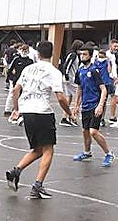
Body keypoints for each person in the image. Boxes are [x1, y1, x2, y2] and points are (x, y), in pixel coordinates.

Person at [6, 40, 72, 199]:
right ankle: (37, 186)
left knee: (38, 149)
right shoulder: (54, 71)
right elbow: (61, 97)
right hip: (42, 111)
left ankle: (16, 171)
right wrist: (69, 112)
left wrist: (16, 109)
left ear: (38, 53)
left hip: (27, 111)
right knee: (48, 149)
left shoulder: (28, 69)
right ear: (52, 53)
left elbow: (16, 90)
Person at [73, 42, 115, 167]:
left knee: (93, 132)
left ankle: (109, 153)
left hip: (95, 105)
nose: (82, 56)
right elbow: (79, 88)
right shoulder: (80, 71)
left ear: (90, 56)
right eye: (81, 54)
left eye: (85, 54)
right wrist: (76, 105)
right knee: (85, 131)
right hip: (85, 106)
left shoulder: (94, 70)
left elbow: (104, 89)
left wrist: (100, 105)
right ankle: (87, 152)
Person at [4, 42, 33, 118]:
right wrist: (8, 79)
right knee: (13, 94)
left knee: (24, 95)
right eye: (23, 50)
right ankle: (7, 110)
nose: (24, 51)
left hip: (27, 82)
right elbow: (9, 69)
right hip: (16, 80)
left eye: (26, 50)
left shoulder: (30, 61)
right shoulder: (16, 59)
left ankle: (21, 110)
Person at [61, 40, 83, 126]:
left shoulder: (72, 54)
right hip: (70, 78)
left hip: (68, 78)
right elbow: (67, 65)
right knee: (78, 96)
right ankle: (73, 117)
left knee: (69, 97)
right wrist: (66, 75)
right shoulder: (73, 55)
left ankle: (64, 117)